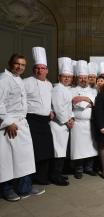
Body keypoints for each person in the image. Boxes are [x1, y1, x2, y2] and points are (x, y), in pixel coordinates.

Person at [0, 54, 44, 201]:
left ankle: (25, 187)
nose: (20, 67)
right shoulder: (3, 79)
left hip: (21, 124)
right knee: (7, 160)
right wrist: (8, 122)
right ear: (10, 63)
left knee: (24, 158)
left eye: (23, 65)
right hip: (9, 125)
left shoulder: (18, 79)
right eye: (17, 64)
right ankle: (6, 190)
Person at [24, 47, 54, 185]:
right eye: (37, 68)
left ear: (47, 70)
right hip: (31, 120)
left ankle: (42, 177)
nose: (39, 70)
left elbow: (50, 101)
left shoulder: (49, 85)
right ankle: (31, 178)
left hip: (45, 121)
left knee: (47, 150)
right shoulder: (26, 82)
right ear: (33, 69)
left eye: (42, 68)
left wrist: (51, 111)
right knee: (34, 151)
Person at [70, 60, 98, 179]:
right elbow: (73, 102)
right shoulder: (72, 90)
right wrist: (88, 101)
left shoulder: (94, 90)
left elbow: (95, 104)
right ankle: (79, 169)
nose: (83, 80)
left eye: (85, 78)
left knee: (91, 146)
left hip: (90, 123)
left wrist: (84, 99)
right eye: (81, 78)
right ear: (77, 78)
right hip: (78, 124)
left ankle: (89, 168)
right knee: (78, 148)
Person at [49, 57, 74, 186]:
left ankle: (58, 173)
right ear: (59, 77)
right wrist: (67, 121)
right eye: (64, 77)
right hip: (58, 125)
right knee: (58, 151)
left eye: (69, 77)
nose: (67, 79)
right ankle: (55, 176)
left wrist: (72, 118)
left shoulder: (66, 89)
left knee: (62, 150)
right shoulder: (58, 89)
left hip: (64, 124)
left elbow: (69, 107)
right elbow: (58, 108)